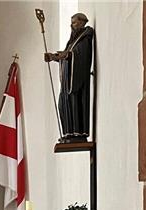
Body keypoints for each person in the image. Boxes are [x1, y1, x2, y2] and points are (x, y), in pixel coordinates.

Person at [45, 13, 94, 142]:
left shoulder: (85, 37)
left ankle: (77, 134)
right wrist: (53, 57)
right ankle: (68, 133)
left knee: (75, 104)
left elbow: (80, 55)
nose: (71, 25)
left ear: (83, 22)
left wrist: (66, 55)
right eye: (71, 22)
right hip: (67, 83)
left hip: (77, 81)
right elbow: (67, 56)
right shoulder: (72, 41)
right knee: (62, 104)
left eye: (74, 22)